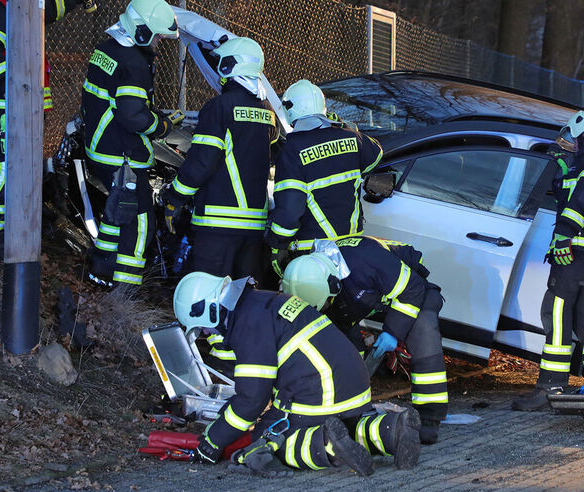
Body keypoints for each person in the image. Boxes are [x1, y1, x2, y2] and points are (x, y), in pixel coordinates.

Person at [173, 271, 421, 476]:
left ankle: (327, 445)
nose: (207, 333)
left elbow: (252, 400)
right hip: (353, 384)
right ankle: (391, 430)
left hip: (323, 390)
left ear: (209, 310)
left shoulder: (247, 326)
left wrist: (213, 440)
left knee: (268, 439)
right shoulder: (262, 302)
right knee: (344, 425)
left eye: (203, 328)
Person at [512, 109, 584, 411]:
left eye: (575, 139)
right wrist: (565, 171)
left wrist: (565, 232)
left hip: (577, 246)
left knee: (558, 309)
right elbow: (579, 191)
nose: (573, 144)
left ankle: (551, 385)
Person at [281, 237, 448, 444]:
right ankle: (351, 410)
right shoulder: (309, 276)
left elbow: (412, 289)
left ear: (332, 284)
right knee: (341, 344)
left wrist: (393, 332)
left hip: (412, 288)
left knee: (423, 330)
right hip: (370, 294)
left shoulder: (366, 261)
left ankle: (429, 418)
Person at [0, 0, 87, 259]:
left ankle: (7, 226)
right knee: (7, 164)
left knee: (13, 163)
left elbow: (46, 11)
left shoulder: (18, 3)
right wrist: (15, 85)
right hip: (3, 100)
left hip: (14, 100)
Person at [161, 37, 278, 281]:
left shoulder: (219, 107)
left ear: (230, 66)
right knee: (243, 297)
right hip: (254, 225)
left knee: (209, 292)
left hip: (218, 224)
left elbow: (202, 162)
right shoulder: (268, 113)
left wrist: (174, 198)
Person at [82, 0, 181, 287]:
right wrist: (162, 125)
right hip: (122, 154)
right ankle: (126, 290)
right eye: (158, 35)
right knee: (140, 223)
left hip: (100, 147)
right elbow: (132, 115)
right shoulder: (134, 63)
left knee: (116, 212)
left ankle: (100, 271)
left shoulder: (105, 49)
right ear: (140, 31)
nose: (160, 41)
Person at [266, 80, 383, 277]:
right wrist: (343, 125)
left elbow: (289, 211)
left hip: (312, 251)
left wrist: (276, 243)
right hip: (351, 245)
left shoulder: (292, 151)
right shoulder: (352, 137)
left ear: (290, 109)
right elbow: (376, 155)